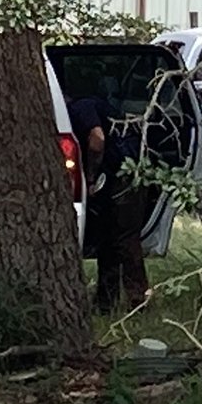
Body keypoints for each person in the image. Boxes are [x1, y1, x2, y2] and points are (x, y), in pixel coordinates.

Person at [66, 91, 149, 314]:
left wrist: (90, 176)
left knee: (124, 240)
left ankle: (137, 301)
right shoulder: (98, 105)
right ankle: (106, 301)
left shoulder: (79, 108)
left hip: (124, 175)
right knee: (109, 240)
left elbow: (97, 140)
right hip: (124, 172)